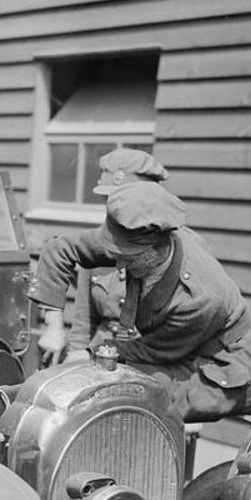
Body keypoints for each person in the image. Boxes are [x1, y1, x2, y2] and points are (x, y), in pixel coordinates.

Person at [30, 178, 251, 423]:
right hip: (176, 348)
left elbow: (152, 352)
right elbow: (59, 250)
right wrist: (53, 325)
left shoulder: (200, 298)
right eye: (115, 254)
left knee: (123, 401)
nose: (118, 265)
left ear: (157, 250)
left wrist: (89, 353)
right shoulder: (130, 238)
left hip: (224, 367)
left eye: (127, 259)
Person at [65, 148, 173, 361]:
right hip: (100, 353)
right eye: (109, 198)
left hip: (149, 357)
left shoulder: (170, 248)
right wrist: (76, 352)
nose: (113, 206)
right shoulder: (97, 244)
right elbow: (84, 318)